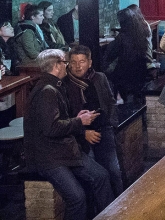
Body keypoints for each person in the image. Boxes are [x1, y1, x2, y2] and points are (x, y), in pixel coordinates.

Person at [23, 49, 113, 220]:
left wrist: (76, 118)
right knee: (77, 198)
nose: (68, 67)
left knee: (101, 176)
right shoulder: (47, 91)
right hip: (50, 157)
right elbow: (51, 128)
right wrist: (80, 122)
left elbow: (55, 122)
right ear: (57, 65)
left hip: (62, 150)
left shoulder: (52, 86)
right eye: (65, 63)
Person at [65, 45, 123, 196]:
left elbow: (110, 102)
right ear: (69, 64)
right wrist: (83, 132)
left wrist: (111, 124)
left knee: (114, 171)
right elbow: (65, 117)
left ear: (89, 63)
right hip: (80, 136)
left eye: (82, 61)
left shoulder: (99, 78)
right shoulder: (65, 85)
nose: (78, 66)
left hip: (103, 129)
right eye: (74, 62)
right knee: (95, 176)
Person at [104, 7, 151, 103]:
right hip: (140, 73)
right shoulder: (140, 33)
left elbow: (109, 55)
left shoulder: (122, 38)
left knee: (104, 72)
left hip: (125, 75)